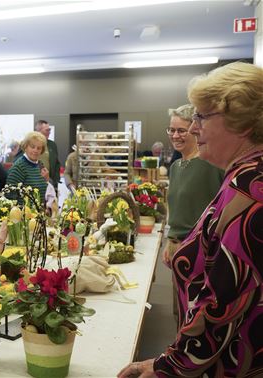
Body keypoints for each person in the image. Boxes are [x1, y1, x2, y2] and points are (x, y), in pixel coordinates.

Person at [119, 61, 263, 377]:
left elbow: (220, 309)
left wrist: (166, 367)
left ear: (242, 123)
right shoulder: (243, 178)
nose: (193, 128)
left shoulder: (250, 195)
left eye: (201, 117)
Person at [162, 104, 224, 273]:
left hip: (200, 250)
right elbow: (177, 211)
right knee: (180, 299)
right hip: (176, 247)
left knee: (197, 299)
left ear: (195, 129)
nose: (175, 136)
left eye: (181, 131)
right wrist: (170, 240)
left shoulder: (212, 164)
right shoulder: (175, 166)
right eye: (171, 130)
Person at [7, 131, 49, 204]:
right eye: (32, 147)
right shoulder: (19, 167)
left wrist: (47, 179)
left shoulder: (40, 165)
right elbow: (10, 196)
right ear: (25, 147)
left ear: (42, 151)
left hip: (39, 212)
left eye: (39, 148)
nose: (35, 150)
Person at [34, 120, 61, 189]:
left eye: (50, 130)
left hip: (50, 183)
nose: (49, 132)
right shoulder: (29, 144)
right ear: (38, 131)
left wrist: (56, 181)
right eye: (47, 130)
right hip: (33, 182)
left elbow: (57, 164)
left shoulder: (52, 145)